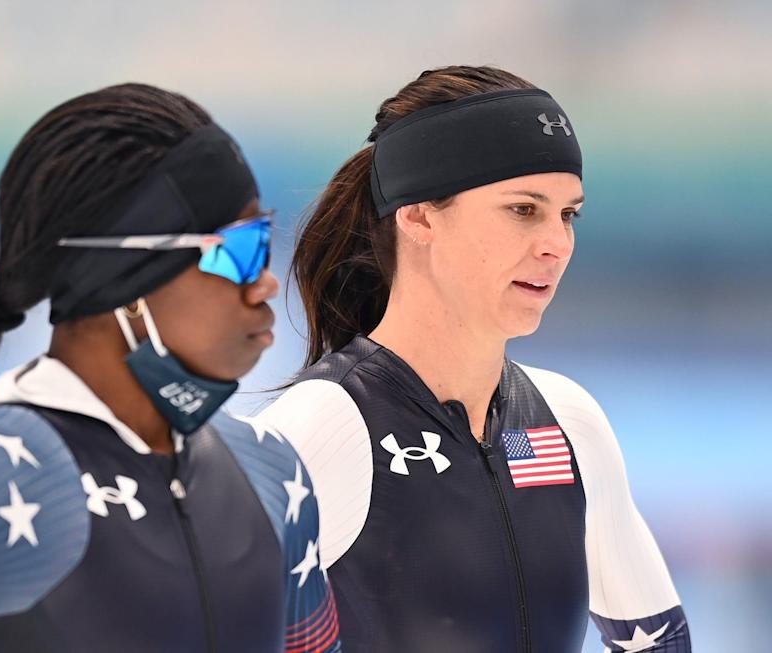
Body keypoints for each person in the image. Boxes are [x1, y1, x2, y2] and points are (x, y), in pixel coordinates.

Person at [0, 83, 340, 653]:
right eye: (238, 248)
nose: (266, 280)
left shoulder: (270, 468)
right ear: (126, 282)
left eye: (266, 241)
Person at [258, 66, 690, 652]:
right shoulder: (324, 428)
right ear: (418, 216)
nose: (556, 243)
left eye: (569, 214)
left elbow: (658, 641)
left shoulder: (567, 422)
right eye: (523, 209)